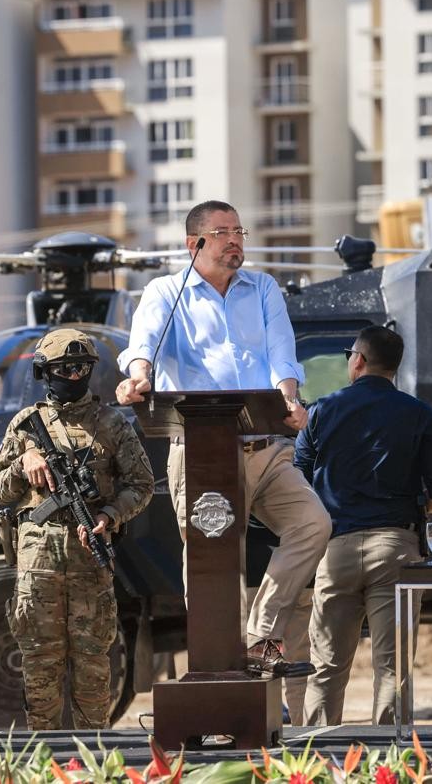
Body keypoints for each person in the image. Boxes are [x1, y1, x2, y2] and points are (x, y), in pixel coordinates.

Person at [116, 200, 331, 678]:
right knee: (212, 553)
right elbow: (143, 344)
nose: (235, 240)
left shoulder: (263, 288)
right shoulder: (165, 291)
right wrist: (139, 375)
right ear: (194, 243)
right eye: (223, 233)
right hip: (201, 453)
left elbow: (282, 354)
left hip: (265, 446)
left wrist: (290, 399)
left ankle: (258, 637)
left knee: (313, 523)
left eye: (239, 231)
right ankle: (219, 662)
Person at [0, 328, 154, 730]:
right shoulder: (25, 425)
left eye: (82, 368)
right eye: (65, 369)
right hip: (39, 559)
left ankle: (93, 752)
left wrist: (109, 515)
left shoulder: (112, 424)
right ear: (46, 372)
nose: (75, 376)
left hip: (89, 554)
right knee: (39, 662)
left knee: (93, 663)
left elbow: (142, 484)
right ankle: (42, 753)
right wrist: (24, 463)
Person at [296, 325, 432, 725]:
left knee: (326, 665)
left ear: (359, 361)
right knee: (392, 668)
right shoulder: (420, 414)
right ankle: (391, 752)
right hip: (395, 549)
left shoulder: (322, 410)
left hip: (335, 548)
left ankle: (316, 751)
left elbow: (298, 480)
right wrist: (416, 511)